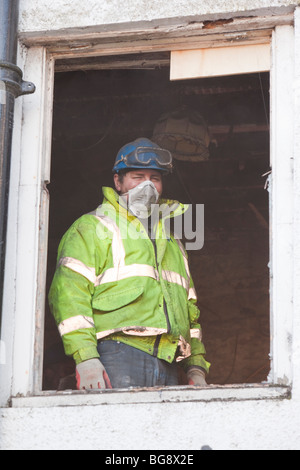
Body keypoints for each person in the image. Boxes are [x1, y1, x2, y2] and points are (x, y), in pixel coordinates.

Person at [49, 137, 210, 390]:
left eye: (154, 178)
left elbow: (189, 309)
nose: (147, 185)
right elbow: (69, 296)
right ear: (118, 181)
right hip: (117, 354)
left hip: (168, 359)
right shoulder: (92, 227)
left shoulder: (172, 241)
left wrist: (195, 366)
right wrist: (86, 357)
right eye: (137, 176)